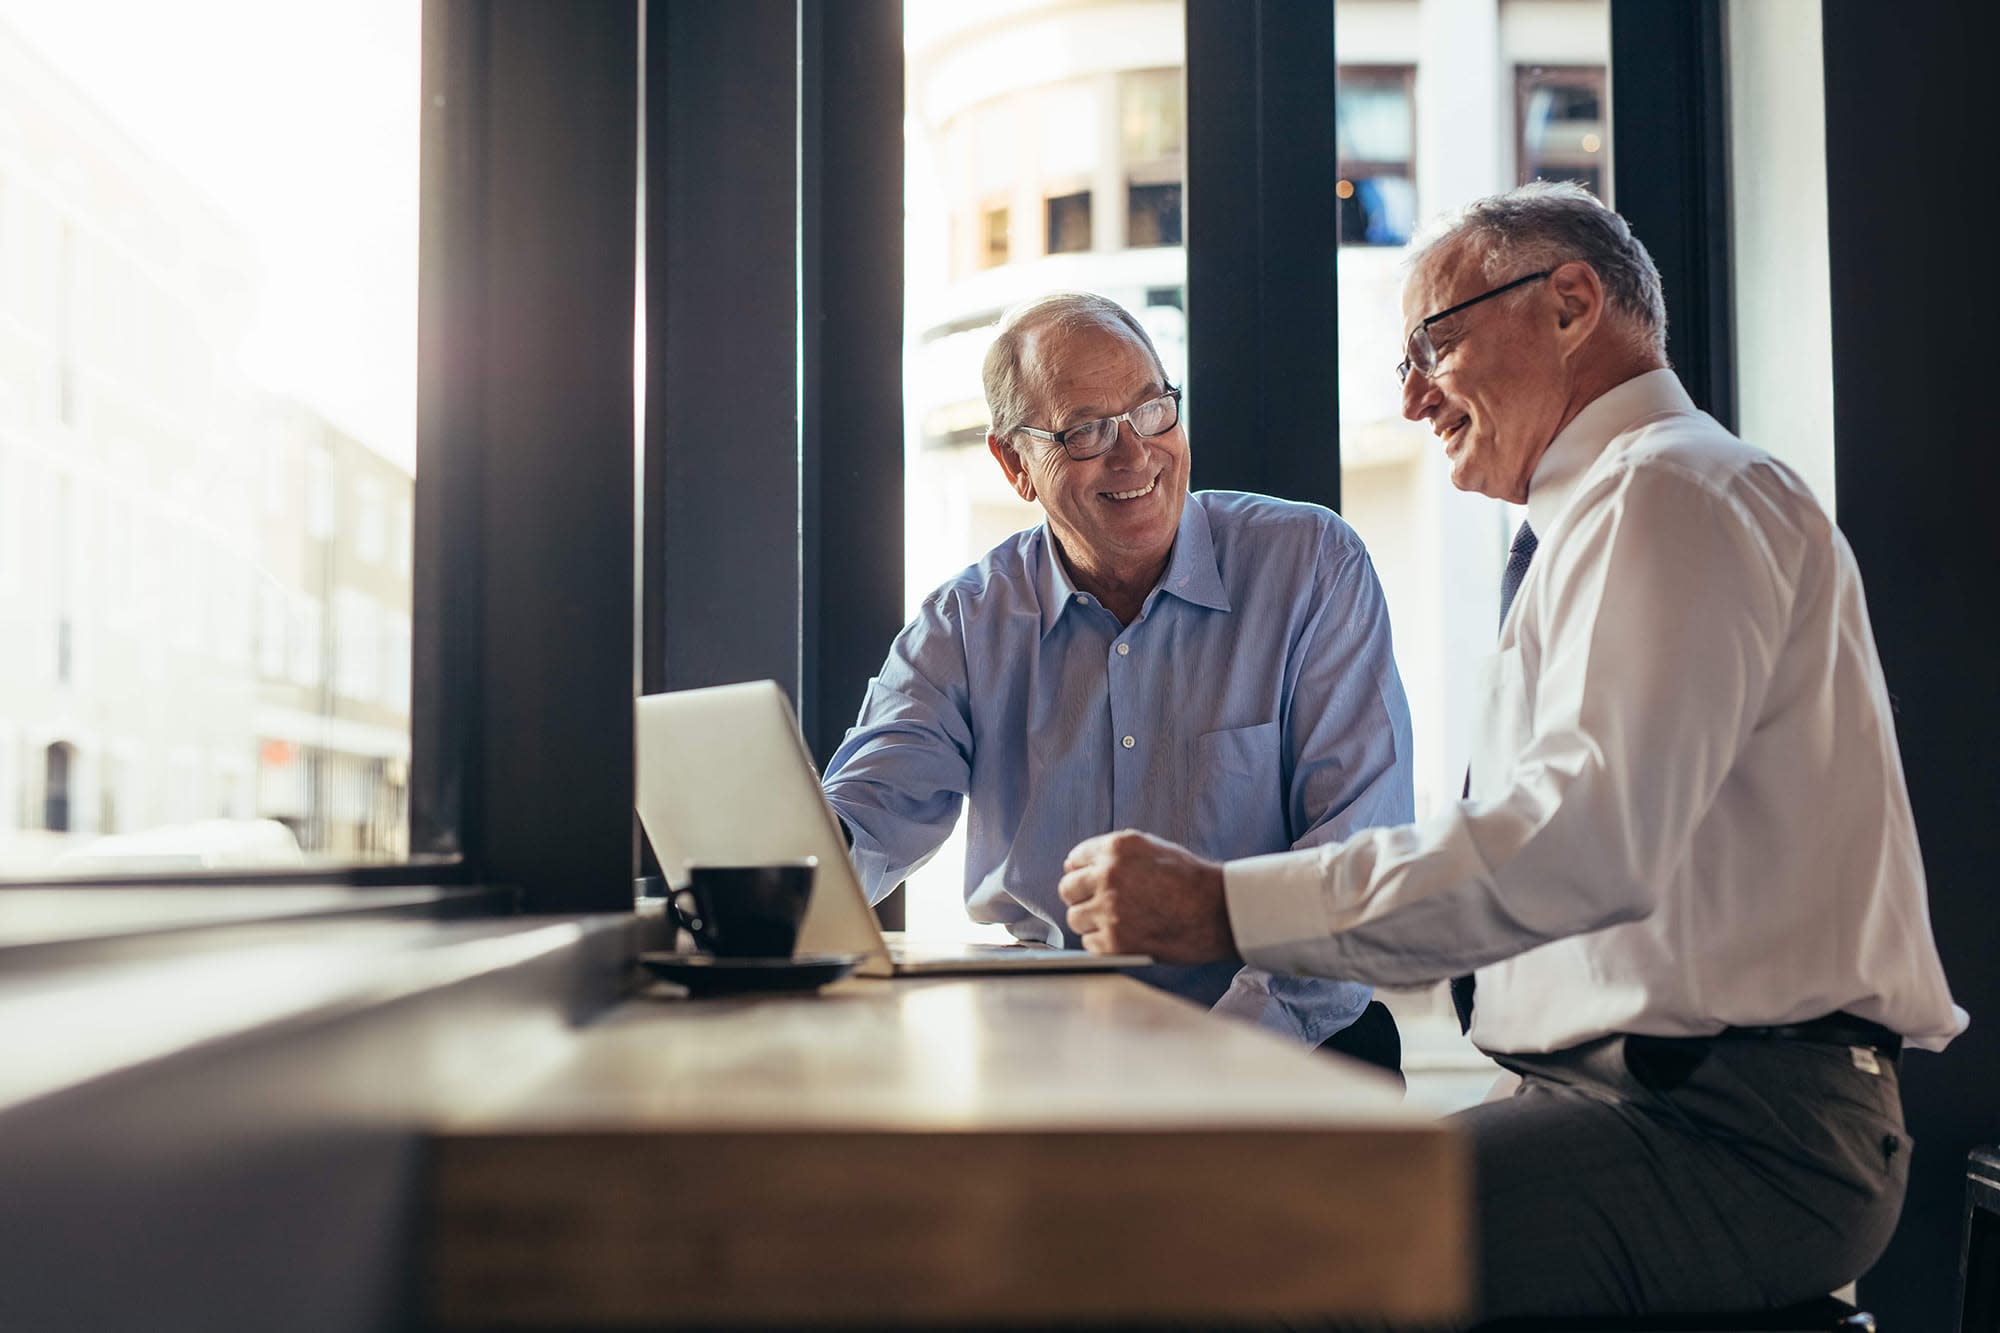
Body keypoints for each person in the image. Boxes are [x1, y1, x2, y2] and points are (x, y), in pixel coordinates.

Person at [1057, 184, 1965, 1318]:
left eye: (1431, 345)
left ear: (1571, 302)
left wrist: (1226, 906)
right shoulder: (1620, 511)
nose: (1407, 398)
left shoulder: (1668, 489)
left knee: (1259, 1255)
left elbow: (1574, 844)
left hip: (1731, 1134)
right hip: (1648, 1111)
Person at [822, 291, 1414, 1069]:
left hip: (1287, 1042)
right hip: (1055, 1051)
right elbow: (864, 819)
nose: (1135, 455)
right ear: (1013, 464)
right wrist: (775, 867)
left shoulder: (1311, 566)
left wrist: (1208, 1063)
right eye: (1086, 431)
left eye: (1153, 410)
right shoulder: (965, 622)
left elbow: (1357, 861)